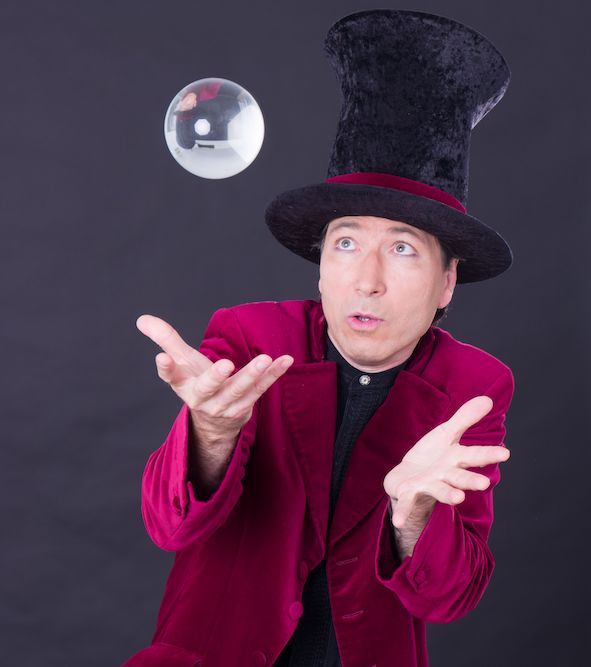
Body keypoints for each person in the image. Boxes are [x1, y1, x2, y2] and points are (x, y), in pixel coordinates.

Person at [123, 9, 515, 667]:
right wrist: (210, 435)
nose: (367, 280)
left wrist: (415, 515)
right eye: (346, 243)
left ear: (447, 282)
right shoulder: (249, 337)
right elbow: (170, 526)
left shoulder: (472, 388)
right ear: (320, 262)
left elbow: (452, 597)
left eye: (402, 248)